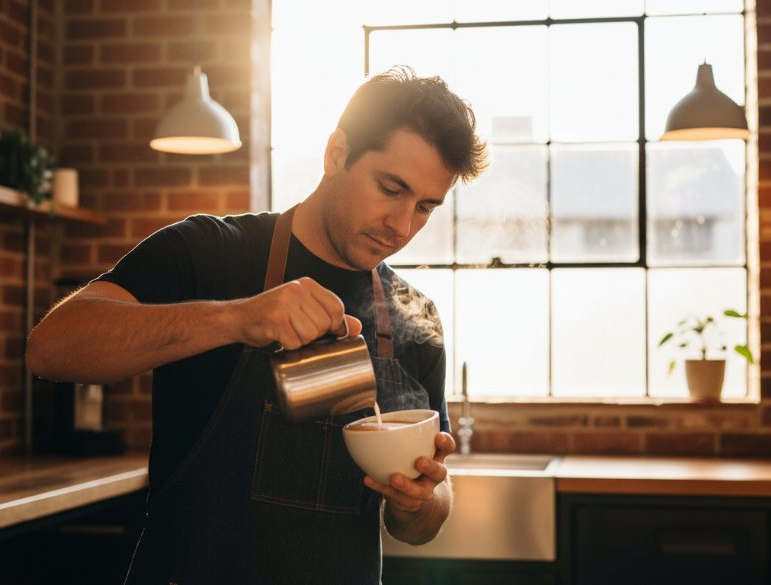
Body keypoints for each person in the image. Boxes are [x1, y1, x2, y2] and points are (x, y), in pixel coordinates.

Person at [26, 66, 486, 584]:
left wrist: (418, 502)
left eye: (425, 207)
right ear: (337, 154)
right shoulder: (209, 251)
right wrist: (236, 318)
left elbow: (427, 518)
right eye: (390, 189)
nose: (402, 226)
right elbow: (52, 347)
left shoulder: (411, 315)